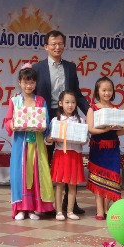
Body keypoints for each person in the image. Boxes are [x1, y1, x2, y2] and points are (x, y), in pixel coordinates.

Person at [33, 30, 89, 215]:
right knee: (47, 160)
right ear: (46, 47)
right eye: (53, 44)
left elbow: (77, 94)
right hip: (47, 117)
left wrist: (90, 111)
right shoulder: (38, 68)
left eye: (60, 44)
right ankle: (47, 204)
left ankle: (70, 204)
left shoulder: (70, 67)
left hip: (68, 116)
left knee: (70, 158)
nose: (57, 47)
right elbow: (33, 93)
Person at [3, 64, 54, 220]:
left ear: (36, 83)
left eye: (32, 82)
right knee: (20, 175)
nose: (28, 86)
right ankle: (21, 208)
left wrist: (44, 127)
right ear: (20, 82)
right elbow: (7, 120)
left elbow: (46, 121)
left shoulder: (40, 101)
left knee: (36, 174)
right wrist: (12, 124)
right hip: (21, 144)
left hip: (37, 144)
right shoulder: (15, 100)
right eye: (25, 82)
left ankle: (32, 209)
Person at [86, 76, 124, 220]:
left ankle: (106, 208)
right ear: (97, 91)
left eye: (109, 90)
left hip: (113, 149)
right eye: (104, 90)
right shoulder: (92, 109)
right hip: (98, 148)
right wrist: (105, 130)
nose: (107, 93)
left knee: (112, 178)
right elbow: (90, 129)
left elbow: (118, 132)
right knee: (98, 179)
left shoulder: (115, 110)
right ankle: (99, 210)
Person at [46, 90, 87, 220]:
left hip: (75, 155)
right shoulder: (55, 120)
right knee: (59, 183)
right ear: (60, 103)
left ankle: (70, 211)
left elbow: (85, 139)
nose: (70, 105)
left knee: (72, 184)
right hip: (61, 154)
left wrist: (82, 139)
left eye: (73, 102)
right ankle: (58, 211)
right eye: (67, 102)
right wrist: (51, 138)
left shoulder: (80, 120)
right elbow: (47, 140)